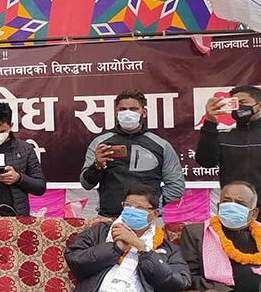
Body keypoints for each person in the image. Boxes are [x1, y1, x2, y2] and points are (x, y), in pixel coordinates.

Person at [65, 183, 191, 292]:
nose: (131, 210)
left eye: (138, 207)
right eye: (128, 205)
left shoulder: (167, 248)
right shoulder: (100, 233)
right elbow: (75, 259)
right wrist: (115, 248)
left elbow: (178, 282)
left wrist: (142, 248)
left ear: (153, 215)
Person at [196, 85, 261, 250]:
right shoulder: (224, 137)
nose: (239, 107)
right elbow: (205, 161)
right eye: (234, 103)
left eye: (244, 102)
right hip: (233, 221)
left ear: (260, 106)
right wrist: (210, 121)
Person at [79, 89, 185, 217]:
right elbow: (86, 184)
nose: (128, 113)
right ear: (116, 112)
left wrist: (153, 202)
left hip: (148, 219)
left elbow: (176, 186)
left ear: (144, 112)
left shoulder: (162, 145)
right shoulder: (100, 144)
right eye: (123, 109)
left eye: (134, 109)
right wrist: (97, 167)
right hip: (108, 218)